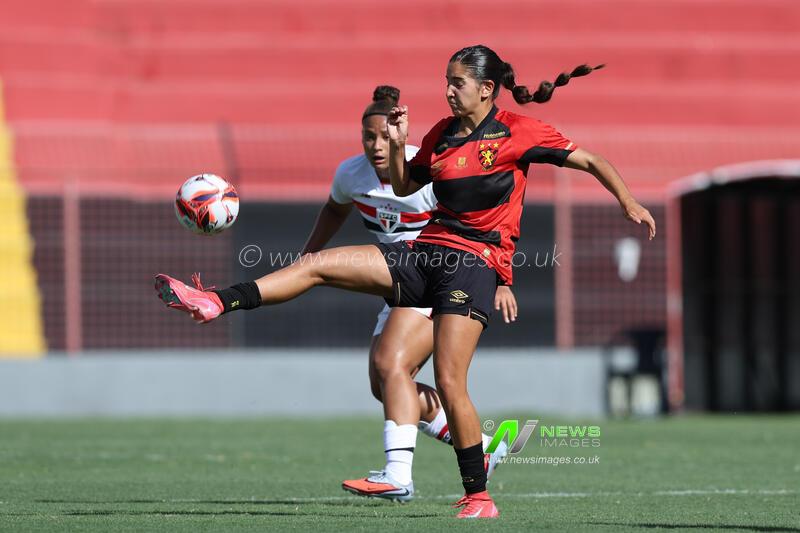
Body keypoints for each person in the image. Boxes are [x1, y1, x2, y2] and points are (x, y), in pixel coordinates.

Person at [155, 44, 656, 519]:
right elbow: (402, 185)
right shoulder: (441, 132)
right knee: (316, 266)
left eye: (458, 83)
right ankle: (216, 300)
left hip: (474, 265)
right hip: (424, 253)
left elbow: (589, 159)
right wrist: (396, 145)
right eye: (446, 82)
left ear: (486, 88)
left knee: (448, 380)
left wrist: (627, 200)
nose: (448, 91)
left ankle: (478, 496)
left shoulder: (518, 132)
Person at [300, 85, 514, 502]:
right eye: (369, 137)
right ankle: (483, 448)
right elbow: (334, 209)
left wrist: (502, 278)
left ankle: (398, 475)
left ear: (398, 134)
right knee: (385, 384)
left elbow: (483, 218)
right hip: (399, 279)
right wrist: (307, 257)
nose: (377, 146)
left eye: (385, 137)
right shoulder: (350, 175)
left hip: (443, 272)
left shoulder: (425, 170)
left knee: (390, 363)